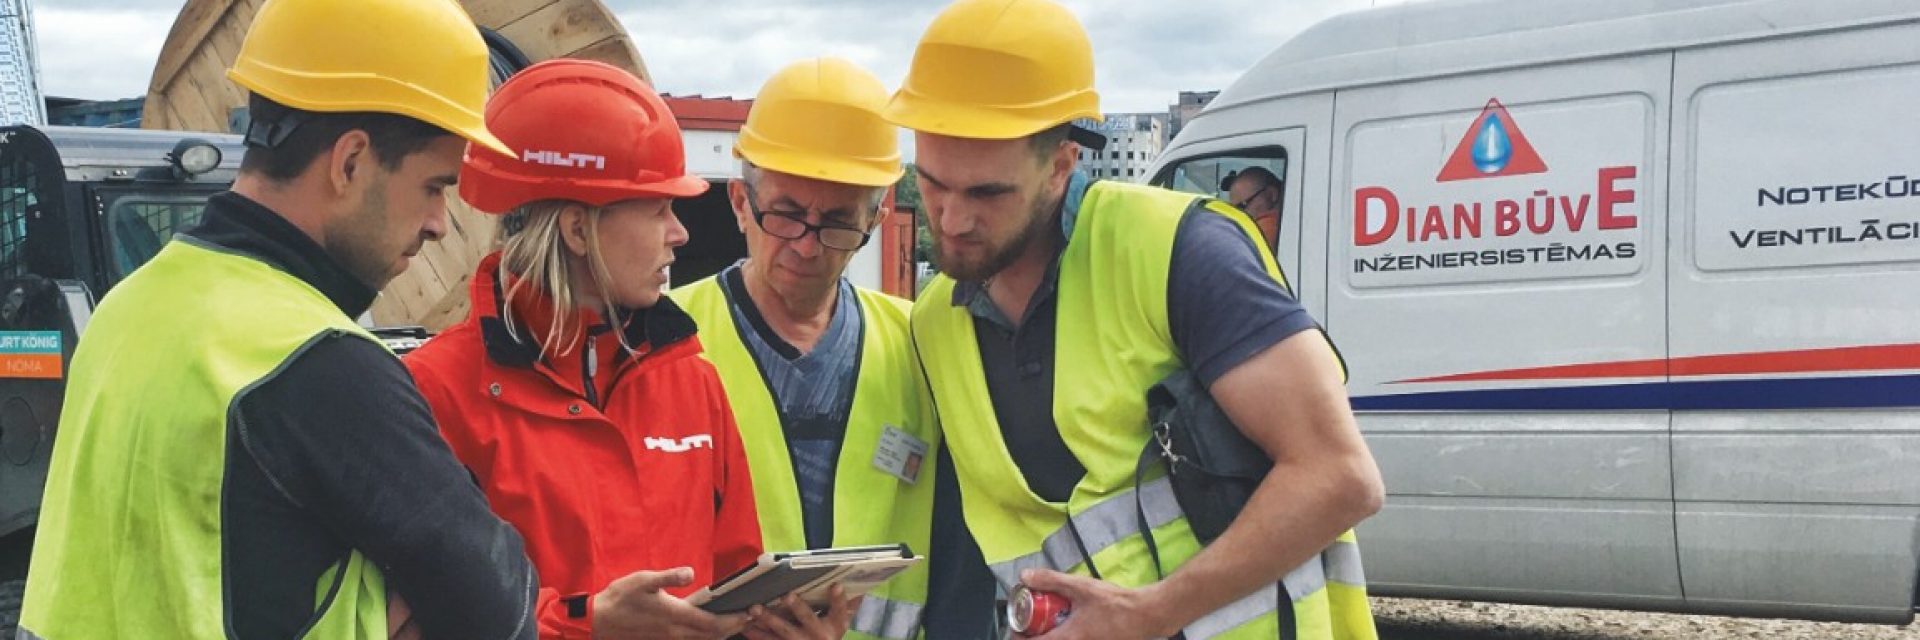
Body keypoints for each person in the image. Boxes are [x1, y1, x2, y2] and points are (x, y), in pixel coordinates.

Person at [18, 0, 539, 637]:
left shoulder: (129, 306)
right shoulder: (319, 362)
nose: (439, 223)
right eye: (435, 185)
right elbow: (499, 611)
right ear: (350, 162)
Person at [883, 0, 1386, 638]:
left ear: (1061, 164)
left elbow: (1341, 477)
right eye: (931, 184)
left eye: (987, 193)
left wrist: (1151, 614)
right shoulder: (935, 323)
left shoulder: (1178, 251)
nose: (951, 220)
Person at [405, 58, 801, 640]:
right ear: (576, 230)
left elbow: (735, 577)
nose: (681, 234)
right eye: (660, 208)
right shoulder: (434, 392)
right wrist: (586, 627)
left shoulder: (693, 382)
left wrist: (778, 623)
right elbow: (416, 611)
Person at [668, 57, 994, 640]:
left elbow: (959, 563)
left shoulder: (922, 343)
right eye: (786, 215)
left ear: (878, 216)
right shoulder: (666, 340)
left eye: (838, 222)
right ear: (741, 203)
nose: (808, 246)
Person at [1223, 166, 1283, 251]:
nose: (1237, 215)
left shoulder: (1267, 229)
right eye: (1235, 210)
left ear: (1271, 194)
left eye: (1242, 206)